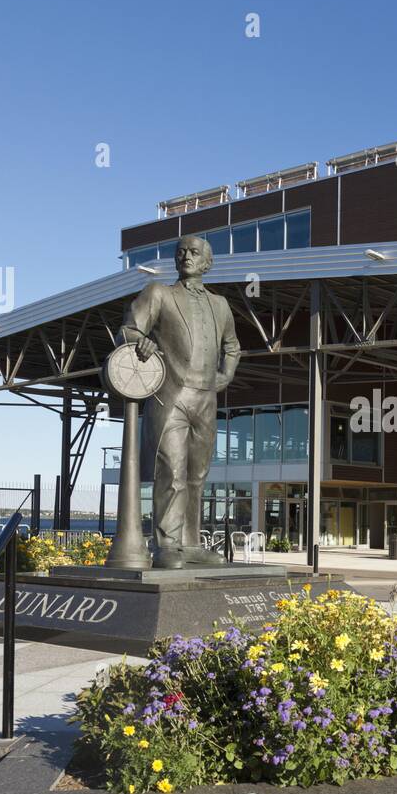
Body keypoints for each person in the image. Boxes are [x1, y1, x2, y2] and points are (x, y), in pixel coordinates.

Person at [122, 234, 240, 568]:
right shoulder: (159, 293)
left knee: (196, 475)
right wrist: (142, 344)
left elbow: (232, 346)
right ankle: (167, 545)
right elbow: (130, 330)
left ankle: (190, 545)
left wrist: (226, 375)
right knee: (171, 472)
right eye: (181, 252)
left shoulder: (221, 305)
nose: (187, 256)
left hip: (206, 399)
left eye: (195, 252)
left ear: (208, 262)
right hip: (170, 395)